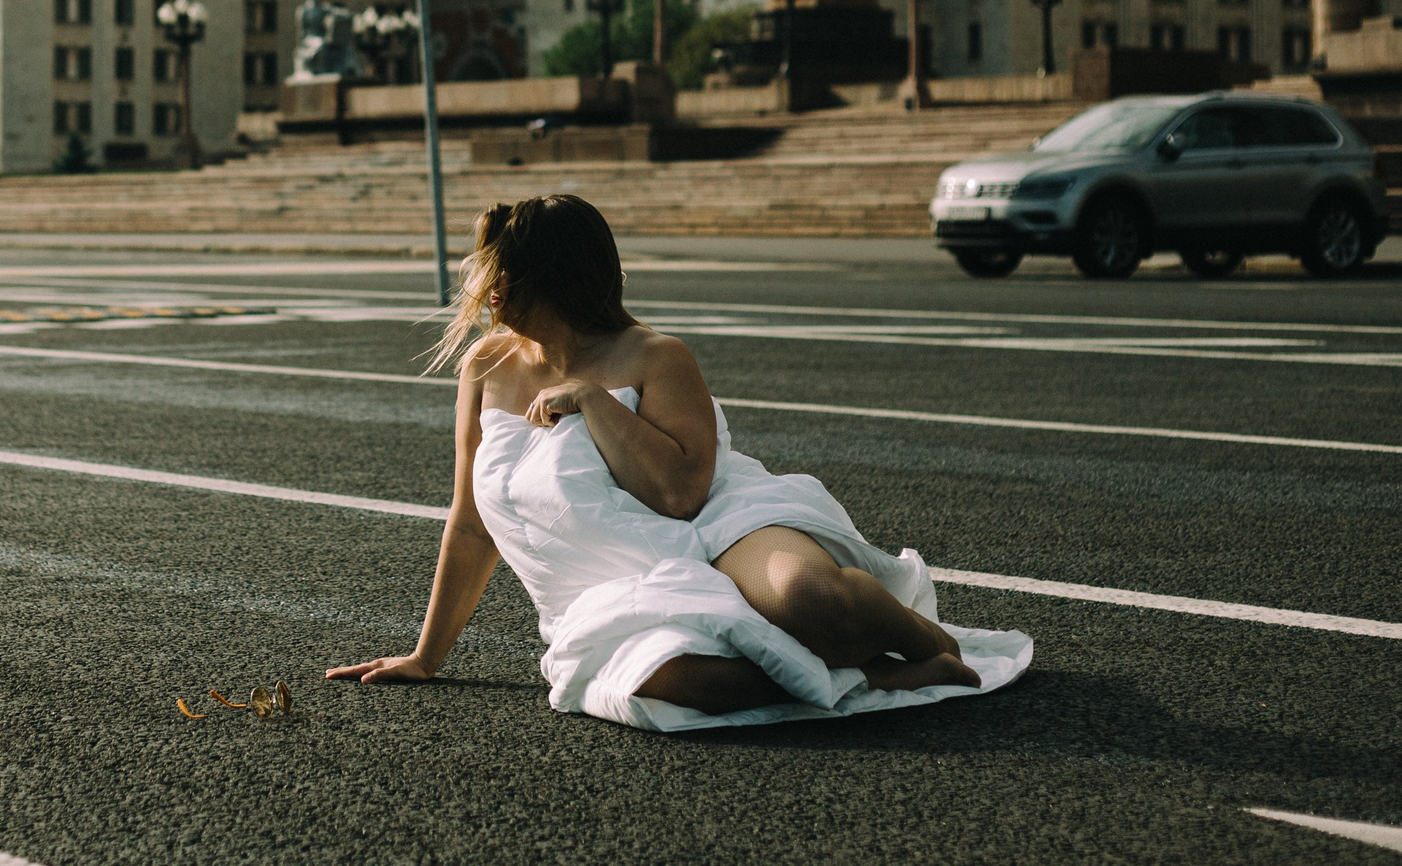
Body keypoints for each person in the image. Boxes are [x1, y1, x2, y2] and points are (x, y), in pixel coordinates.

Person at [327, 194, 1032, 730]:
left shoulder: (658, 356)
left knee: (809, 601)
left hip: (725, 526)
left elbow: (684, 494)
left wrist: (594, 402)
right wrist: (426, 657)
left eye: (508, 279)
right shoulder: (487, 365)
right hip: (617, 573)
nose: (492, 296)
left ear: (563, 281)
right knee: (679, 679)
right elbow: (473, 524)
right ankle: (881, 674)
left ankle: (933, 643)